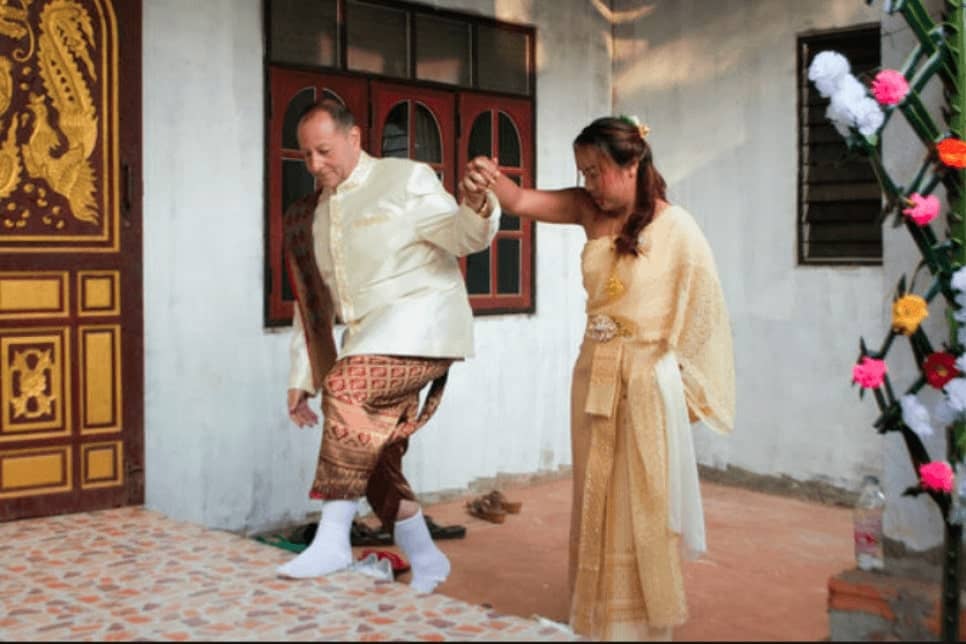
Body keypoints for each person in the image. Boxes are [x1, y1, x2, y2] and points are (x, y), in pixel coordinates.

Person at [464, 116, 735, 640]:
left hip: (646, 382)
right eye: (582, 172)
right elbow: (519, 201)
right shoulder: (587, 209)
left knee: (641, 498)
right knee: (595, 493)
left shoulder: (677, 229)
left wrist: (678, 383)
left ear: (633, 164)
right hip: (593, 373)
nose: (588, 183)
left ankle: (638, 623)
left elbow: (706, 311)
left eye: (596, 171)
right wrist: (484, 176)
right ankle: (596, 612)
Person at [278, 98, 500, 594]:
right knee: (372, 456)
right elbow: (311, 304)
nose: (314, 164)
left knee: (347, 389)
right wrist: (301, 378)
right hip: (367, 339)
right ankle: (427, 558)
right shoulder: (312, 215)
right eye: (306, 155)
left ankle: (333, 540)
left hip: (423, 325)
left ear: (354, 138)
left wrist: (477, 204)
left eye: (324, 151)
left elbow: (462, 236)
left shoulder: (405, 179)